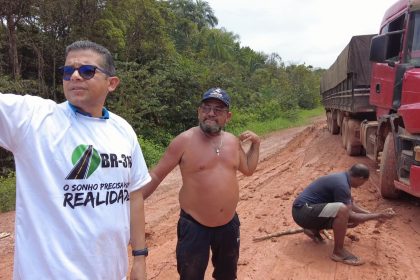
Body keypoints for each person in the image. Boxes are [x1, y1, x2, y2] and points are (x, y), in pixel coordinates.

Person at [0, 40, 151, 279]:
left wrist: (140, 258)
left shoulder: (123, 130)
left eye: (87, 70)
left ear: (111, 83)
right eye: (68, 71)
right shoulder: (33, 119)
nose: (76, 76)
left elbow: (133, 197)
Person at [141, 87, 260, 280]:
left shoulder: (232, 142)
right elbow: (155, 176)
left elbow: (248, 169)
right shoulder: (184, 141)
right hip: (195, 225)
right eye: (206, 108)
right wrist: (130, 202)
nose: (211, 113)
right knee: (191, 275)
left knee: (227, 275)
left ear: (227, 116)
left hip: (228, 224)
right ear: (199, 112)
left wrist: (256, 144)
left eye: (218, 110)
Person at [292, 163, 395, 266]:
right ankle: (338, 252)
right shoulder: (342, 185)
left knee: (346, 209)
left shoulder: (342, 179)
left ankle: (312, 229)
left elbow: (351, 205)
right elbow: (349, 214)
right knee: (342, 210)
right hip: (302, 212)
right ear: (360, 178)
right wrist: (378, 215)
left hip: (306, 211)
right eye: (363, 182)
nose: (360, 186)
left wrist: (372, 214)